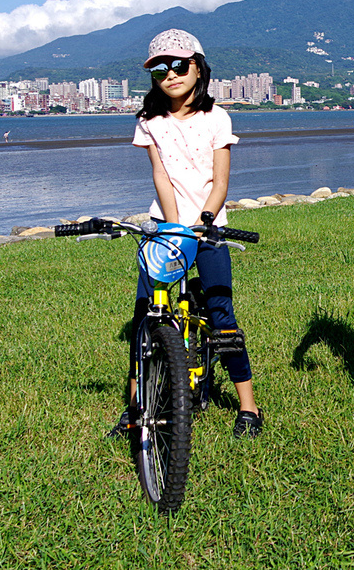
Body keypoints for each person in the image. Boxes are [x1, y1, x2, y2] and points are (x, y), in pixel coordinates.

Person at [121, 28, 263, 439]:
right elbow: (160, 177)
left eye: (179, 64)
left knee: (222, 316)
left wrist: (203, 219)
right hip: (166, 227)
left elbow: (220, 181)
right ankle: (134, 409)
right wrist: (171, 227)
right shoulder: (150, 121)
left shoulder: (216, 117)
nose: (171, 74)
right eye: (160, 69)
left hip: (208, 227)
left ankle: (248, 407)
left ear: (198, 68)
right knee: (145, 317)